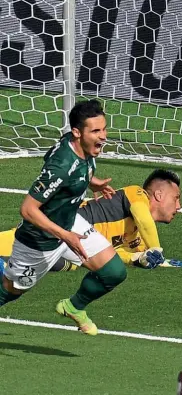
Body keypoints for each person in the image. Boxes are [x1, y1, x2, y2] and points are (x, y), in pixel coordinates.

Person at [0, 99, 127, 335]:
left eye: (104, 128)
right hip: (39, 241)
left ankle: (74, 307)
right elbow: (28, 209)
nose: (103, 136)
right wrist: (65, 235)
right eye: (96, 131)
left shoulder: (80, 146)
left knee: (113, 271)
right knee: (10, 291)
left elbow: (68, 167)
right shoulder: (61, 166)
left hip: (69, 225)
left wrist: (92, 182)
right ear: (77, 132)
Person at [0, 169, 182, 271]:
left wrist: (139, 258)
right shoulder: (136, 193)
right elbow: (143, 217)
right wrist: (156, 249)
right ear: (159, 194)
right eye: (176, 198)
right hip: (60, 224)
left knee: (63, 266)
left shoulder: (136, 239)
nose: (179, 206)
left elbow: (112, 255)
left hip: (73, 247)